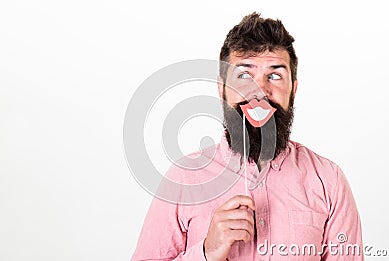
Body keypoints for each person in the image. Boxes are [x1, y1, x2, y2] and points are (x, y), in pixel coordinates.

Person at [131, 12, 363, 260]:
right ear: (222, 88)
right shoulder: (183, 179)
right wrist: (206, 252)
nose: (260, 90)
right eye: (243, 75)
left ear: (293, 90)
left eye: (275, 76)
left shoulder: (329, 181)